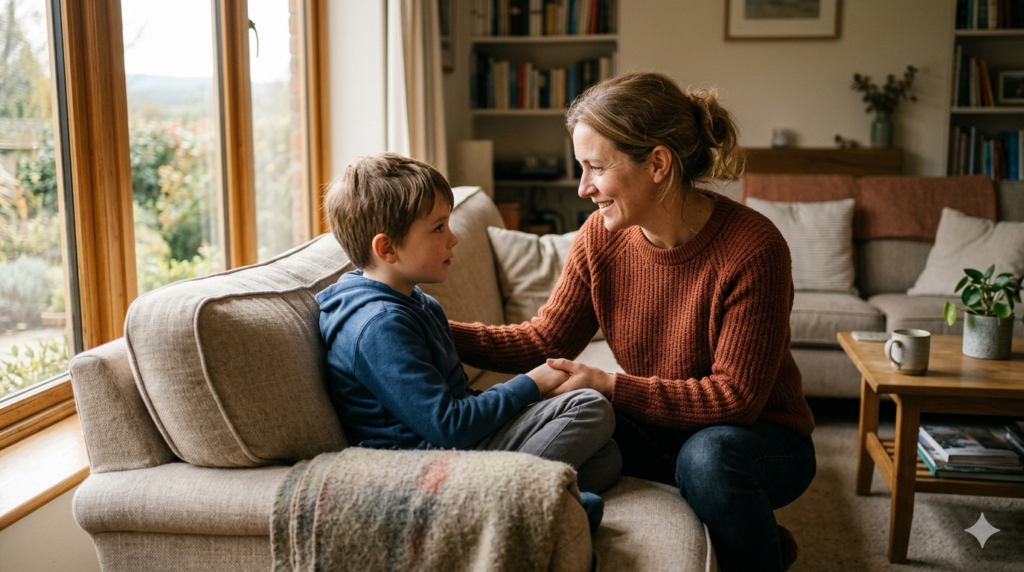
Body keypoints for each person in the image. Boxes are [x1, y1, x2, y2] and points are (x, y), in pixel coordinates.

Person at [449, 72, 816, 572]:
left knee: (706, 461)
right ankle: (756, 535)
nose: (583, 189)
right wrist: (432, 329)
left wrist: (609, 385)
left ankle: (749, 538)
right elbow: (543, 339)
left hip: (759, 438)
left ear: (659, 163)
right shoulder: (598, 240)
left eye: (595, 167)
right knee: (559, 411)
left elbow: (735, 398)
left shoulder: (753, 249)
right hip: (664, 428)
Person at [316, 153, 622, 532]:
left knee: (607, 456)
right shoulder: (379, 326)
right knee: (589, 408)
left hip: (455, 449)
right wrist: (531, 384)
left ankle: (538, 502)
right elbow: (448, 425)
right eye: (438, 228)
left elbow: (455, 402)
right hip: (425, 469)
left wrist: (530, 396)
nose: (453, 237)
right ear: (387, 249)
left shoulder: (416, 303)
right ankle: (503, 504)